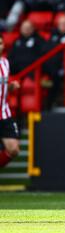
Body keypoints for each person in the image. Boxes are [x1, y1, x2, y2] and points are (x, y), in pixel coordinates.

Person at [0, 35, 20, 169]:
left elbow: (3, 87)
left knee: (14, 149)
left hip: (4, 114)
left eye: (0, 43)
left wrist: (11, 87)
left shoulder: (5, 62)